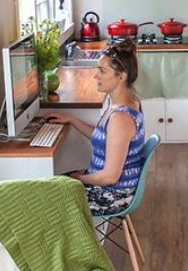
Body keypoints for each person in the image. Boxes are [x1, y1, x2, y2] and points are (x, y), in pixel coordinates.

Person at [46, 39, 145, 215]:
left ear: (121, 76)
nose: (96, 76)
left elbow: (110, 176)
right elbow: (106, 138)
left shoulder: (121, 118)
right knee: (48, 186)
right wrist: (72, 120)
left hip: (113, 194)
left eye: (102, 71)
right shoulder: (125, 102)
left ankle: (74, 234)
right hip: (108, 186)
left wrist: (79, 178)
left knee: (44, 200)